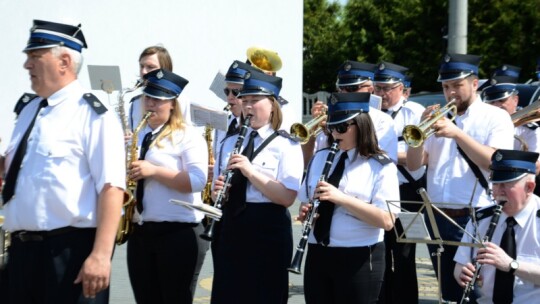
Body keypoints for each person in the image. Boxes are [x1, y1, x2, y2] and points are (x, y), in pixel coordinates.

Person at [0, 20, 125, 303]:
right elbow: (18, 170)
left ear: (64, 61)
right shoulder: (30, 110)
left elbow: (112, 187)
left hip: (68, 256)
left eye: (35, 57)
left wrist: (101, 255)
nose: (26, 66)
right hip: (23, 254)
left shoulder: (92, 114)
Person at [406, 53, 515, 302]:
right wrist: (419, 136)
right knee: (448, 292)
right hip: (437, 215)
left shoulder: (495, 117)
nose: (451, 92)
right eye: (446, 87)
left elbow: (496, 163)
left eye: (457, 85)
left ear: (474, 84)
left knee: (475, 291)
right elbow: (414, 166)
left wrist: (457, 134)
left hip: (475, 216)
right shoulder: (438, 117)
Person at [210, 69, 304, 303]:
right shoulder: (231, 140)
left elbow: (287, 197)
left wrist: (250, 172)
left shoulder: (286, 143)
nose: (248, 106)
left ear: (272, 104)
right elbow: (218, 187)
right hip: (232, 226)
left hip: (267, 229)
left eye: (255, 100)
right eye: (245, 100)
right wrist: (217, 191)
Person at [298, 92, 400, 303]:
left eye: (342, 128)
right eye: (331, 128)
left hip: (359, 257)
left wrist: (341, 198)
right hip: (318, 252)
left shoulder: (381, 166)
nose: (335, 133)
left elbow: (387, 220)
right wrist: (307, 211)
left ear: (361, 125)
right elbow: (305, 198)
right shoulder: (320, 158)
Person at [126, 69, 208, 303]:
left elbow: (197, 181)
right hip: (142, 232)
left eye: (158, 100)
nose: (150, 104)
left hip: (177, 233)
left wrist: (154, 171)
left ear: (173, 104)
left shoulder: (187, 136)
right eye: (148, 97)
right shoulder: (140, 135)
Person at [454, 149, 540, 303]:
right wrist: (462, 273)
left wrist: (511, 265)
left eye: (506, 185)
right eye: (495, 184)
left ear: (530, 187)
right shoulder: (480, 218)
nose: (498, 192)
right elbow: (460, 265)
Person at [373, 61, 426, 304]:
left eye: (387, 88)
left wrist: (388, 155)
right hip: (380, 191)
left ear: (401, 88)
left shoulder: (414, 112)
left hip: (409, 193)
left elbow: (424, 156)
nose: (381, 93)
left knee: (405, 255)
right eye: (378, 87)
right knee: (380, 252)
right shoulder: (371, 112)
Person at [301, 60, 398, 167]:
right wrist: (312, 132)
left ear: (370, 90)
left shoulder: (382, 120)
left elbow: (377, 160)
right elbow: (307, 162)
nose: (344, 93)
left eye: (352, 88)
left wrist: (333, 134)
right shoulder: (330, 116)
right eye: (341, 88)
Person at [128, 45, 190, 131]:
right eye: (142, 66)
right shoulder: (136, 102)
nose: (143, 71)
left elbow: (185, 132)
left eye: (150, 67)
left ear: (164, 70)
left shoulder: (180, 100)